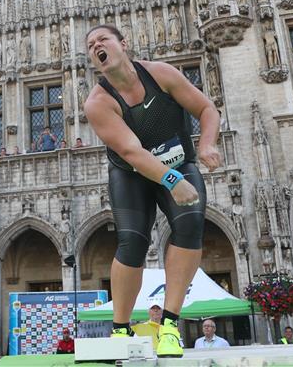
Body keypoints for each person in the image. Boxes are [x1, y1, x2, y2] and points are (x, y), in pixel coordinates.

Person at [83, 24, 222, 359]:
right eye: (90, 45)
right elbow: (132, 153)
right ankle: (120, 328)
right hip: (132, 173)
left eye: (102, 39)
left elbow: (206, 109)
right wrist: (172, 182)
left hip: (178, 160)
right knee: (133, 241)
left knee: (190, 225)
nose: (96, 46)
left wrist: (206, 144)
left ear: (123, 44)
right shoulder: (98, 103)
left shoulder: (161, 74)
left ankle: (170, 325)